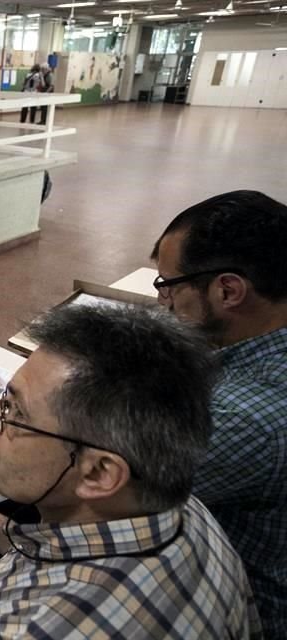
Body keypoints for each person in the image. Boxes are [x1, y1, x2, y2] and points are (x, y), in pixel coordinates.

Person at [0, 304, 262, 639]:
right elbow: (60, 551)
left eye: (15, 413)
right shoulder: (184, 509)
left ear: (99, 472)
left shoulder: (23, 629)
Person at [150, 190, 287, 638]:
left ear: (228, 289)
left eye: (168, 286)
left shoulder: (243, 417)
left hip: (244, 607)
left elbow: (117, 479)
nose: (162, 302)